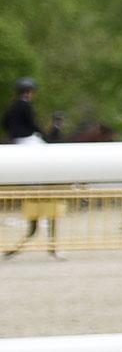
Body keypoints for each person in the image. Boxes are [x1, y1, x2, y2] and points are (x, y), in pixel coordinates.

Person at [4, 77, 64, 261]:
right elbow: (32, 125)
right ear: (29, 92)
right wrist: (44, 134)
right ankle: (36, 180)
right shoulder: (25, 106)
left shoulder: (12, 106)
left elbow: (4, 123)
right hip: (27, 140)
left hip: (16, 139)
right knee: (44, 149)